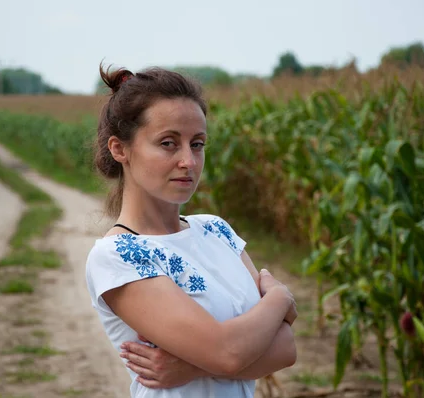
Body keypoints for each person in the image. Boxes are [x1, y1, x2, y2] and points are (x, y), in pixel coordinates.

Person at [85, 64, 297, 398]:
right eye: (168, 143)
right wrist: (280, 298)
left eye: (197, 144)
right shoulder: (118, 256)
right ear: (120, 149)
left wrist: (191, 367)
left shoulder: (216, 230)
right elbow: (227, 354)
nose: (189, 161)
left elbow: (286, 348)